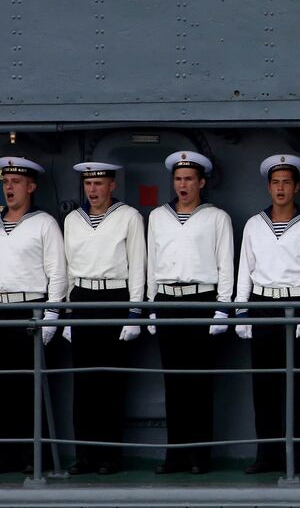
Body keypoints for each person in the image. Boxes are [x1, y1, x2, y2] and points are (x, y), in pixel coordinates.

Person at [233, 154, 300, 475]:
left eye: (287, 182)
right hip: (263, 305)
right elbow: (245, 269)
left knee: (297, 387)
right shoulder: (254, 224)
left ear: (296, 187)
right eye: (275, 183)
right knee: (265, 386)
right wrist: (241, 309)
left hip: (295, 305)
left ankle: (295, 456)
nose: (281, 188)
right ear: (269, 187)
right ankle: (267, 455)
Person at [146, 151, 234, 475]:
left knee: (199, 383)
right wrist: (151, 306)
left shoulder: (217, 218)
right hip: (167, 301)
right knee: (173, 384)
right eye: (178, 179)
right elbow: (151, 263)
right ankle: (175, 456)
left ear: (201, 183)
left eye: (188, 179)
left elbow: (226, 264)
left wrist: (222, 308)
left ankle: (199, 456)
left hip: (202, 302)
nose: (183, 185)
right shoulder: (158, 217)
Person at [62, 161, 145, 475]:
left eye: (98, 184)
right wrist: (67, 311)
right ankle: (84, 455)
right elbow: (68, 268)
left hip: (114, 298)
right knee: (83, 383)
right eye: (88, 184)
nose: (92, 190)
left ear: (112, 185)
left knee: (111, 382)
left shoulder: (129, 217)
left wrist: (134, 312)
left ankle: (109, 456)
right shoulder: (72, 220)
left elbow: (138, 266)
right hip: (82, 299)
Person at [0, 157, 64, 475]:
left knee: (31, 388)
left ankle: (35, 456)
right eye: (5, 182)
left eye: (15, 182)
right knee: (3, 388)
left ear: (31, 187)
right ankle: (6, 454)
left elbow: (57, 272)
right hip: (1, 310)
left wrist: (51, 314)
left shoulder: (44, 223)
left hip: (31, 312)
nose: (8, 187)